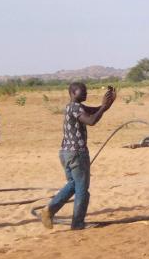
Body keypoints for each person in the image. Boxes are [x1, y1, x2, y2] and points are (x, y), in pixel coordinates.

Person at [41, 82, 115, 230]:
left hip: (66, 153)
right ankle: (77, 223)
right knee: (82, 189)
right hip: (77, 153)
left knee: (73, 185)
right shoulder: (75, 108)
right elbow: (92, 120)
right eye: (83, 91)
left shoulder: (72, 107)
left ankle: (50, 210)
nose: (86, 93)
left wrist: (106, 105)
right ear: (73, 93)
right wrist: (102, 107)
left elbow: (94, 111)